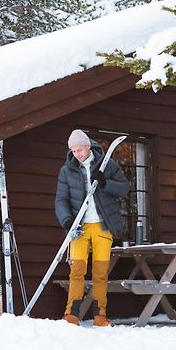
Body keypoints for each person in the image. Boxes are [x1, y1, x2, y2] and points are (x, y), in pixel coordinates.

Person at [55, 129, 130, 327]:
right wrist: (67, 220)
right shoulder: (67, 170)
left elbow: (124, 188)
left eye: (80, 149)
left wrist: (105, 182)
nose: (77, 154)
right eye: (73, 151)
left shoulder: (107, 165)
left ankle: (100, 316)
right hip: (79, 228)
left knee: (100, 272)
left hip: (103, 227)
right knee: (77, 271)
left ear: (88, 147)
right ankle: (71, 315)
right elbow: (61, 199)